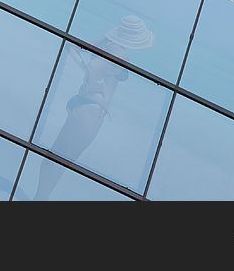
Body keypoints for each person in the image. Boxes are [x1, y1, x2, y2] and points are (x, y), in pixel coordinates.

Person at [34, 15, 154, 200]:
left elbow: (72, 46)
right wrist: (95, 85)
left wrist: (90, 78)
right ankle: (40, 199)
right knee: (63, 159)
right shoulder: (117, 52)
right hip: (91, 111)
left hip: (85, 105)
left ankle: (40, 197)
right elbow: (94, 67)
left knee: (58, 156)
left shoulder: (109, 45)